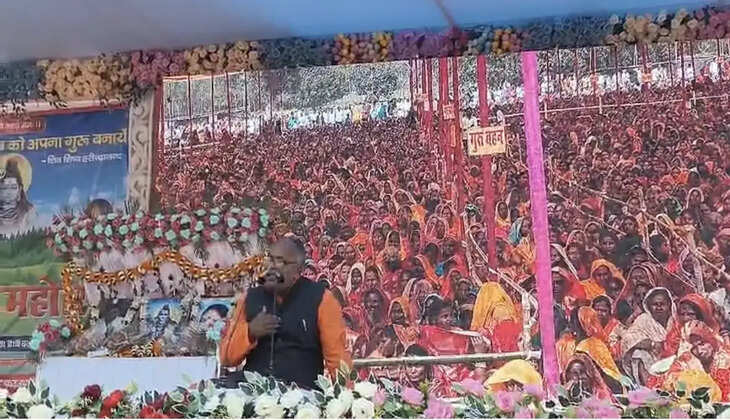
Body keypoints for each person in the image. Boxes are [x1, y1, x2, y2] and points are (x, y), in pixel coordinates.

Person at [219, 238, 351, 389]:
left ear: (298, 270)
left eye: (280, 262)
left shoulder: (322, 299)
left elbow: (337, 358)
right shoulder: (249, 298)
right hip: (253, 393)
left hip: (303, 395)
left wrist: (346, 396)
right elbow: (226, 358)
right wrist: (250, 332)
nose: (271, 267)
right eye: (270, 259)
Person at [0, 154, 35, 236]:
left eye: (13, 187)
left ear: (19, 190)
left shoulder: (29, 213)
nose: (8, 192)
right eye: (4, 188)